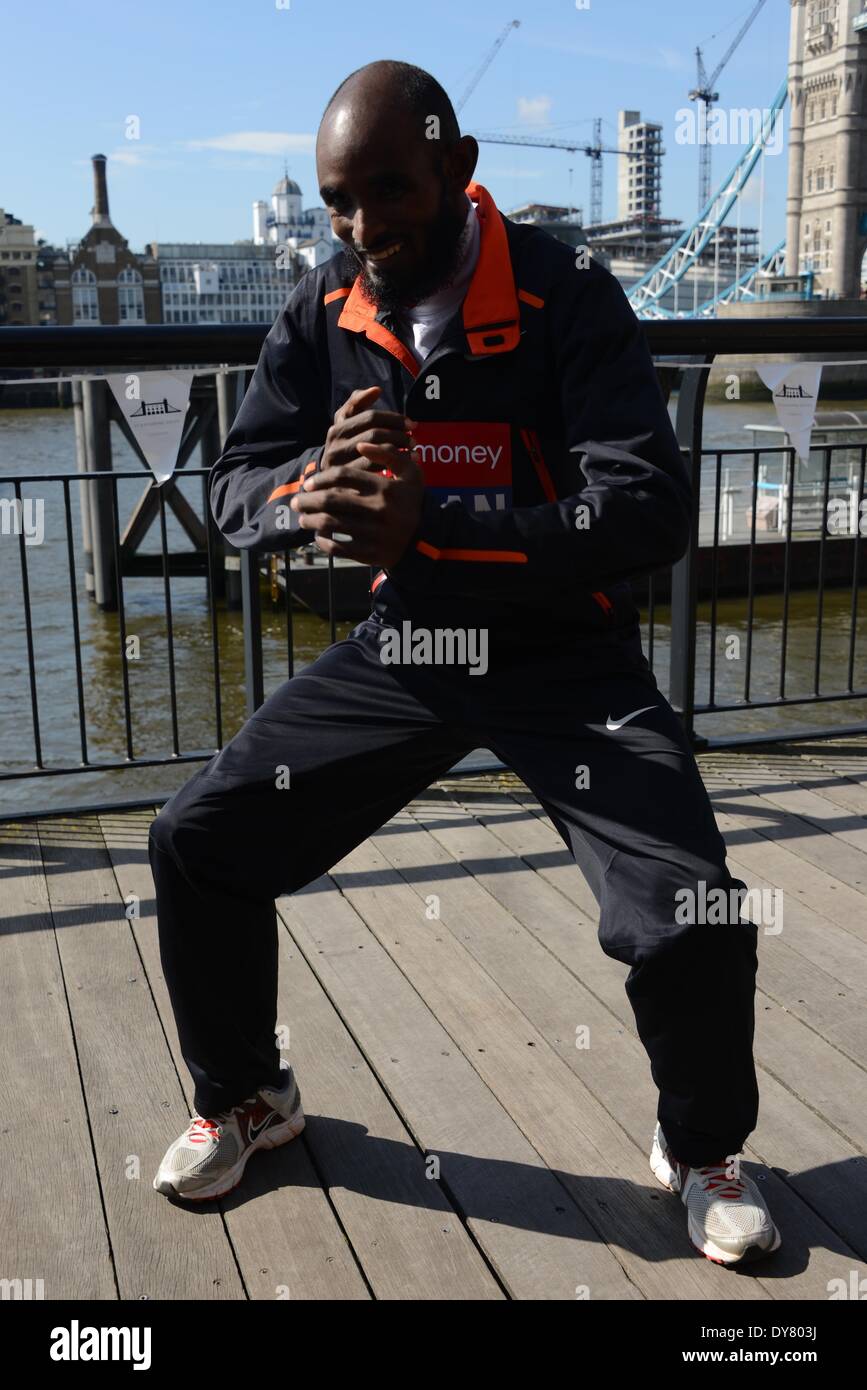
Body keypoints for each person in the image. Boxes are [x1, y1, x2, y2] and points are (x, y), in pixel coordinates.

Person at [149, 59, 780, 1267]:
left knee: (690, 905)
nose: (362, 226)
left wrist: (434, 524)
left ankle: (701, 1147)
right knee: (198, 838)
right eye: (341, 200)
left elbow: (646, 505)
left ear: (458, 167)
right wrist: (305, 495)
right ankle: (246, 1095)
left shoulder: (567, 292)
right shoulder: (326, 300)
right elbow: (235, 485)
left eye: (388, 190)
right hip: (411, 646)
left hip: (564, 650)